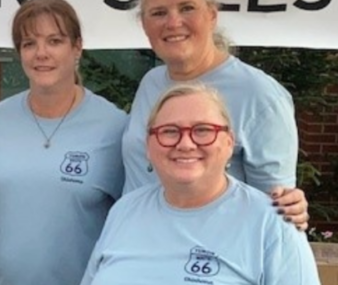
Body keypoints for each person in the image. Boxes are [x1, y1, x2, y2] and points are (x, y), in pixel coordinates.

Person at [122, 0, 309, 229]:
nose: (173, 22)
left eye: (187, 8)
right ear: (144, 24)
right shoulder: (151, 82)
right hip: (136, 247)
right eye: (159, 12)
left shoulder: (260, 95)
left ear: (211, 15)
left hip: (207, 260)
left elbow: (278, 214)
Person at [81, 83, 320, 285]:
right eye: (169, 131)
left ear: (229, 143)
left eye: (203, 130)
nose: (185, 144)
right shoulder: (125, 211)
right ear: (148, 146)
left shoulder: (273, 221)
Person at [0, 0, 128, 285]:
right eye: (29, 43)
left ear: (77, 47)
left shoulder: (115, 126)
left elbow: (132, 221)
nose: (41, 53)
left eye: (55, 41)